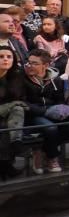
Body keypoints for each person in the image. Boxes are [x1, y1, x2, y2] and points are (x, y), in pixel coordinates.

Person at [23, 49, 69, 174]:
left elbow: (60, 99)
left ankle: (40, 149)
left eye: (34, 63)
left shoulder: (56, 80)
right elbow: (23, 102)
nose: (29, 66)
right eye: (29, 62)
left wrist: (59, 111)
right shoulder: (22, 78)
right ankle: (52, 157)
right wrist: (45, 111)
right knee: (51, 128)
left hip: (52, 111)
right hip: (32, 113)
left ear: (45, 65)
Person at [0, 47, 27, 179]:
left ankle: (6, 163)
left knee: (17, 110)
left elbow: (19, 99)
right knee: (16, 108)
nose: (5, 59)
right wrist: (12, 104)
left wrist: (12, 105)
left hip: (8, 115)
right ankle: (7, 165)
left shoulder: (16, 76)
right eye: (1, 57)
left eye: (9, 57)